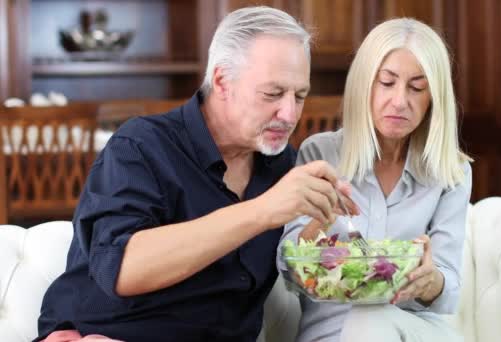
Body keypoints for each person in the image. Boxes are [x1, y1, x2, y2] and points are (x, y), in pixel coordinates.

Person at [37, 6, 356, 342]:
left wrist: (317, 232)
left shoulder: (282, 167)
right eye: (272, 94)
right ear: (221, 81)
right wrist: (263, 210)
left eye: (300, 95)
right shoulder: (141, 146)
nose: (289, 113)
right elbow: (120, 268)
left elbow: (294, 269)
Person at [279, 18, 473, 342]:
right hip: (329, 335)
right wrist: (321, 221)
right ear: (364, 85)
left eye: (416, 87)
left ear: (433, 99)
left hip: (414, 332)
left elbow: (448, 290)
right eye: (387, 82)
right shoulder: (320, 154)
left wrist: (430, 281)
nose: (399, 101)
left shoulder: (450, 172)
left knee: (371, 322)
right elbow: (289, 270)